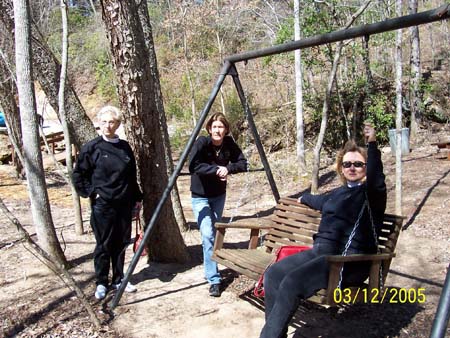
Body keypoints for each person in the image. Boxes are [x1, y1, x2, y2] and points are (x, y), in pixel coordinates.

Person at [259, 124, 386, 338]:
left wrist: (372, 144)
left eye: (358, 164)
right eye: (347, 164)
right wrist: (304, 198)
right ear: (341, 167)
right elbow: (320, 201)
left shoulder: (371, 195)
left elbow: (377, 178)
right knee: (273, 274)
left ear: (366, 168)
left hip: (350, 261)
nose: (352, 168)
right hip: (321, 253)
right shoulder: (337, 193)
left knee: (292, 282)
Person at [73, 106, 143, 300]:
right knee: (103, 245)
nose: (107, 126)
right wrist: (90, 193)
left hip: (124, 203)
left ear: (118, 124)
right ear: (99, 123)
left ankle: (119, 279)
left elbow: (131, 176)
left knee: (121, 244)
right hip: (103, 205)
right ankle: (102, 282)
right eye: (104, 122)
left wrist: (137, 199)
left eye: (111, 122)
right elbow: (79, 174)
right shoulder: (92, 147)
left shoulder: (125, 147)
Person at [189, 113, 248, 297]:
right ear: (209, 129)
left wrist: (228, 168)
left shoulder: (228, 143)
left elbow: (243, 163)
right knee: (207, 234)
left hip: (218, 196)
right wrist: (216, 170)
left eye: (221, 127)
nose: (217, 130)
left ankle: (211, 270)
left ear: (226, 129)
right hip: (200, 196)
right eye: (214, 127)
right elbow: (193, 166)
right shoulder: (202, 143)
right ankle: (214, 279)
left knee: (213, 235)